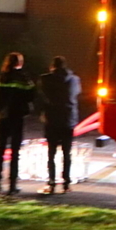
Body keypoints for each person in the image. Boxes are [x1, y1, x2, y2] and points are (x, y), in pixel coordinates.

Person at [0, 52, 36, 195]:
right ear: (19, 63)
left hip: (2, 117)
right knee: (15, 152)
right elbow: (31, 95)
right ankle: (12, 184)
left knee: (0, 149)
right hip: (17, 117)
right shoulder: (23, 78)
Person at [37, 55, 82, 194]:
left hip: (52, 119)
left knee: (51, 153)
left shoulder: (45, 79)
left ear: (52, 66)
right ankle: (66, 183)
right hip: (68, 119)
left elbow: (41, 96)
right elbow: (76, 94)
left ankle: (51, 182)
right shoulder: (74, 80)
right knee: (66, 153)